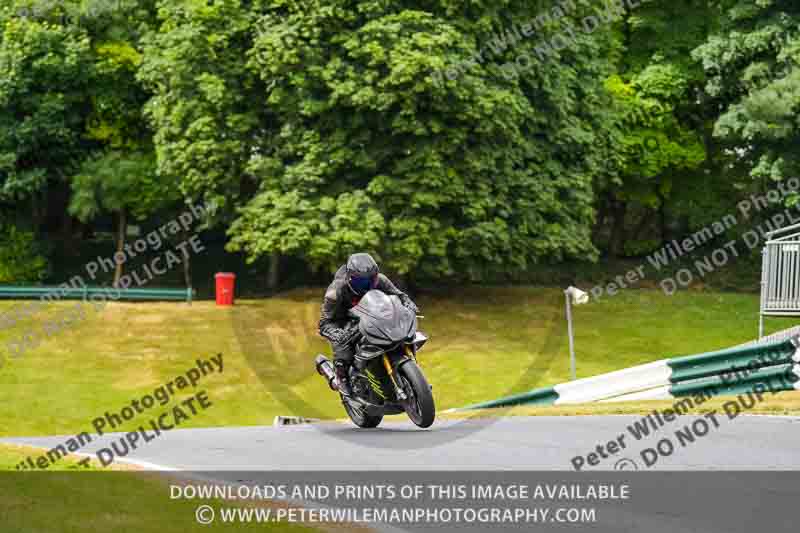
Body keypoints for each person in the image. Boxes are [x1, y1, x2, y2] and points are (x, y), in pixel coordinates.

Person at [318, 253, 419, 396]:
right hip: (344, 322)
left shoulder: (381, 280)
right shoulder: (335, 291)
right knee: (343, 352)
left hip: (372, 316)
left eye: (371, 280)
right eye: (361, 283)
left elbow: (399, 295)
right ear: (350, 278)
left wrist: (408, 304)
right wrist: (338, 334)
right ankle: (341, 378)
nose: (367, 286)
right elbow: (325, 323)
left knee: (401, 330)